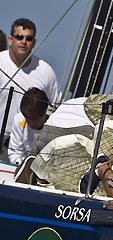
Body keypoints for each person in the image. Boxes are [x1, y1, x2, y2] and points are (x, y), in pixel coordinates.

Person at [0, 18, 61, 156]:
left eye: (28, 38)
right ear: (10, 39)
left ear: (34, 43)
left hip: (27, 141)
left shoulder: (45, 71)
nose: (23, 41)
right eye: (19, 37)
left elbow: (56, 106)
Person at [8, 87, 48, 164]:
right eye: (28, 119)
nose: (31, 123)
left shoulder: (53, 125)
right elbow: (14, 151)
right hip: (21, 165)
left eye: (35, 119)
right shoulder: (19, 120)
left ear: (44, 113)